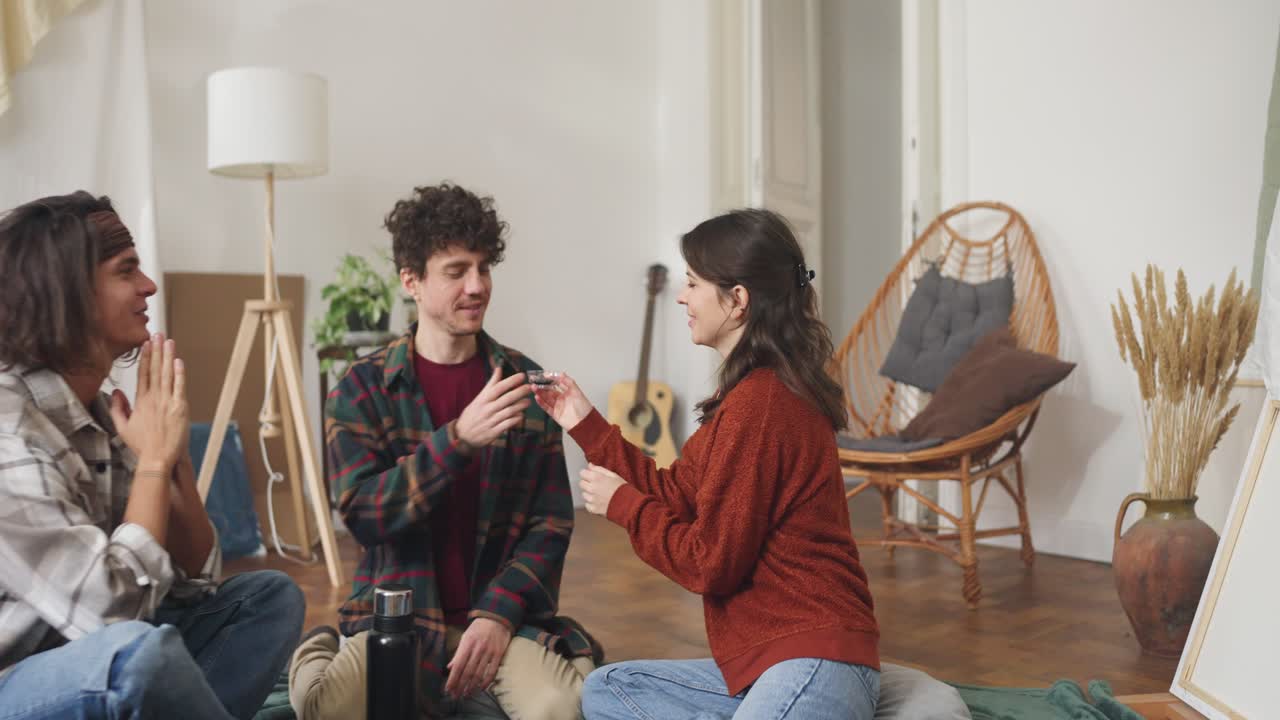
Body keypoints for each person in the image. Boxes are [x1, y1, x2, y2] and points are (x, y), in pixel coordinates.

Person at [534, 208, 881, 719]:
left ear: (737, 300)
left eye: (693, 284)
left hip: (814, 657)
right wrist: (583, 422)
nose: (682, 297)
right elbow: (675, 494)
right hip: (766, 661)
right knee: (610, 687)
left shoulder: (762, 405)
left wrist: (625, 507)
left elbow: (710, 563)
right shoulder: (747, 396)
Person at [289, 183, 599, 720]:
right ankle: (318, 649)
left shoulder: (525, 384)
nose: (476, 286)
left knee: (561, 708)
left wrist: (498, 616)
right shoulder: (359, 389)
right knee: (328, 711)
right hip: (398, 618)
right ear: (411, 280)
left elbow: (550, 525)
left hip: (499, 621)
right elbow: (362, 515)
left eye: (483, 268)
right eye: (456, 271)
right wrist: (457, 442)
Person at [0, 191, 305, 720]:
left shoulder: (98, 411)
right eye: (127, 271)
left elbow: (194, 581)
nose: (149, 286)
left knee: (268, 599)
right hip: (19, 681)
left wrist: (173, 455)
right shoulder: (9, 432)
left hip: (93, 652)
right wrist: (153, 464)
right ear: (70, 293)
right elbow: (113, 616)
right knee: (137, 657)